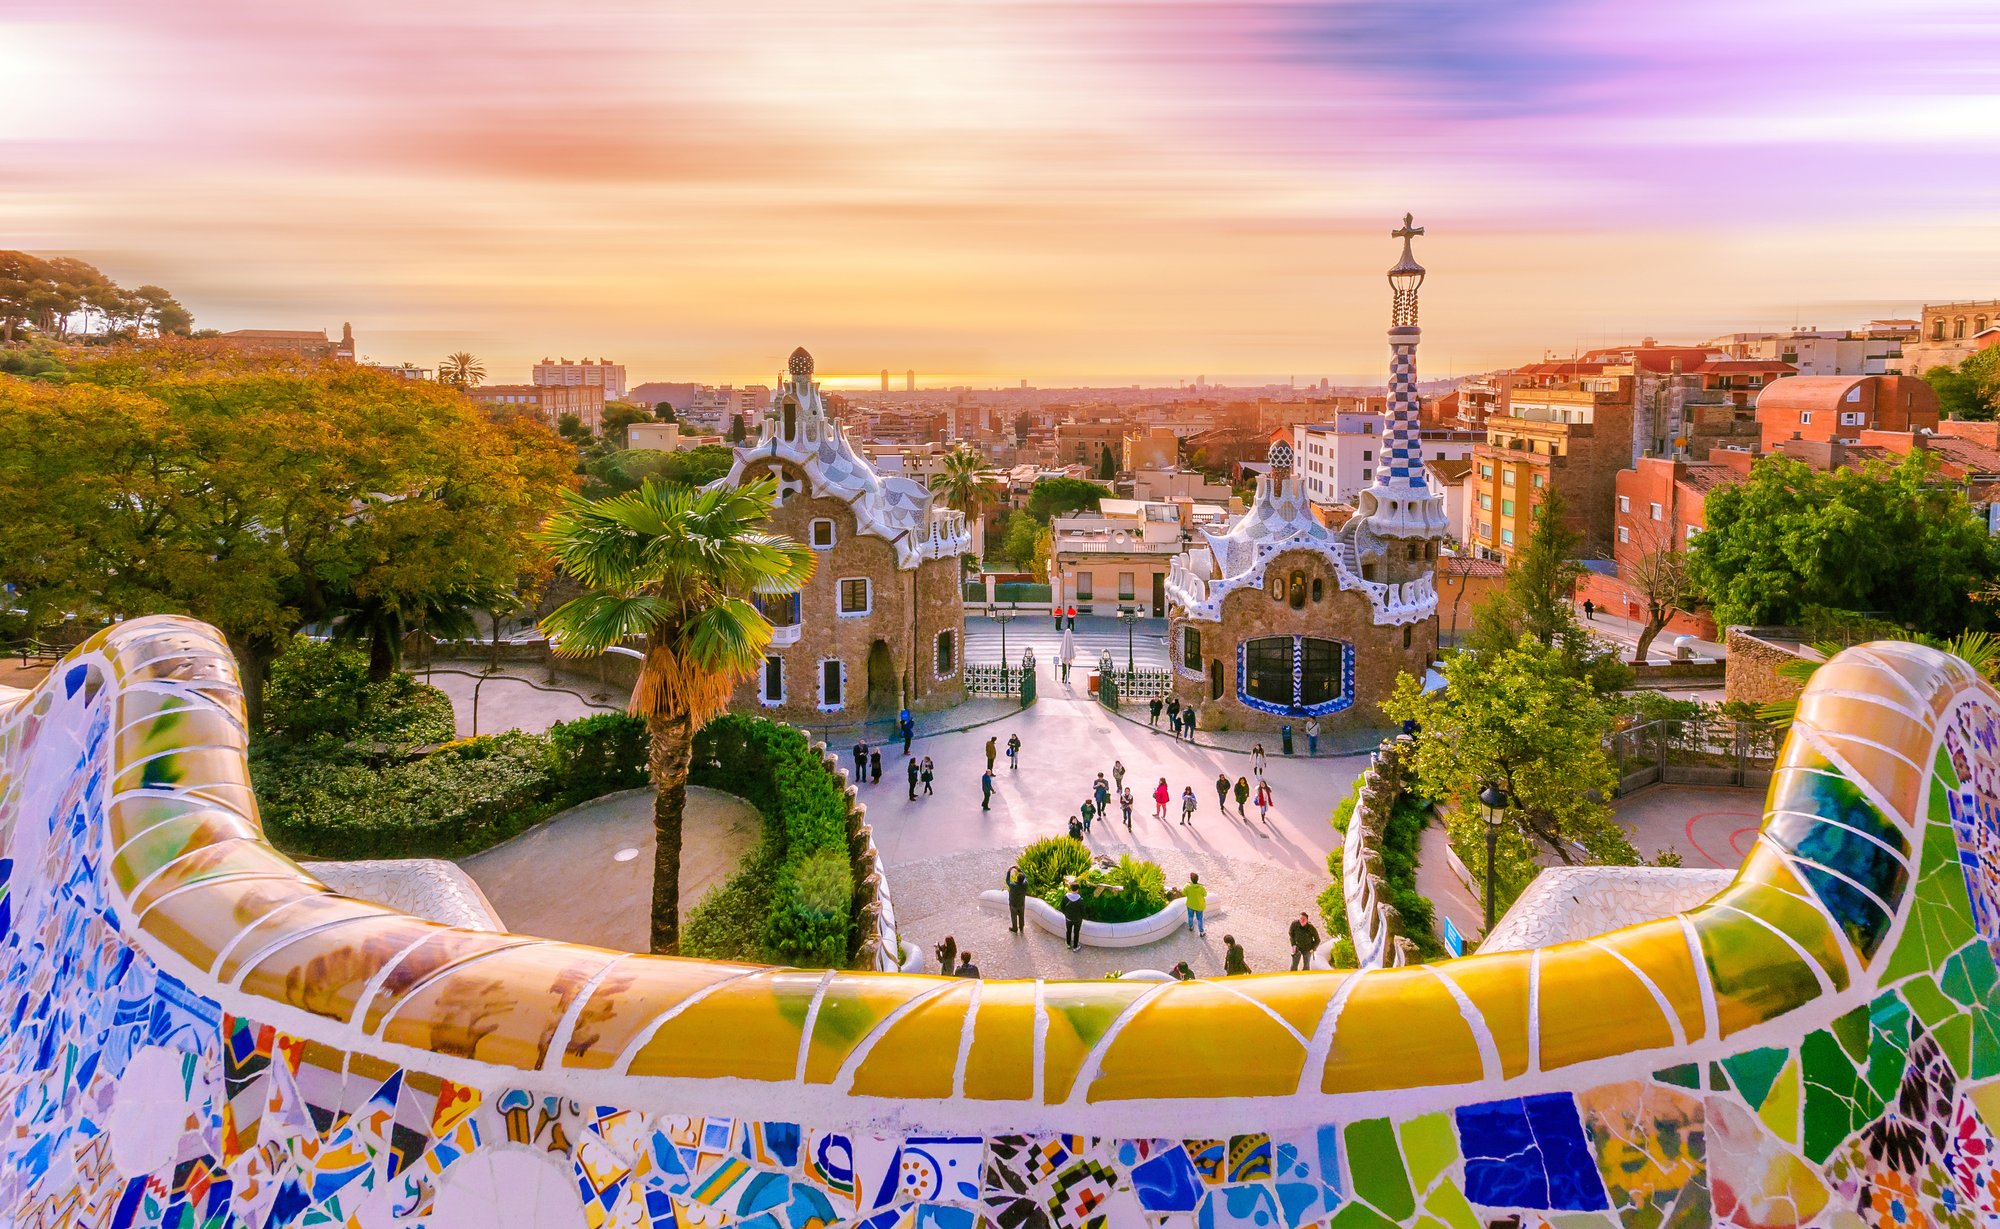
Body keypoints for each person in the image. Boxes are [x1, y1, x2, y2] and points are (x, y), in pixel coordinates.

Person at [1061, 878, 1085, 950]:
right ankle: (1075, 947)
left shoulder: (1066, 897)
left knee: (1068, 931)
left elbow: (1062, 906)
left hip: (1068, 918)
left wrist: (1066, 914)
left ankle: (1068, 944)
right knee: (1076, 933)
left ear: (1071, 889)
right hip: (1077, 919)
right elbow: (1083, 911)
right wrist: (1081, 917)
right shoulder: (1080, 900)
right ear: (1077, 890)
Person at [1005, 864, 1028, 933]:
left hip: (1013, 904)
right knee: (1021, 916)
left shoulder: (1013, 885)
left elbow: (1007, 881)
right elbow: (1026, 876)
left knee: (1014, 916)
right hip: (1021, 903)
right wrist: (1019, 869)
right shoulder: (1025, 884)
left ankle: (1014, 928)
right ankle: (1021, 927)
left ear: (1017, 878)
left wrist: (1009, 871)